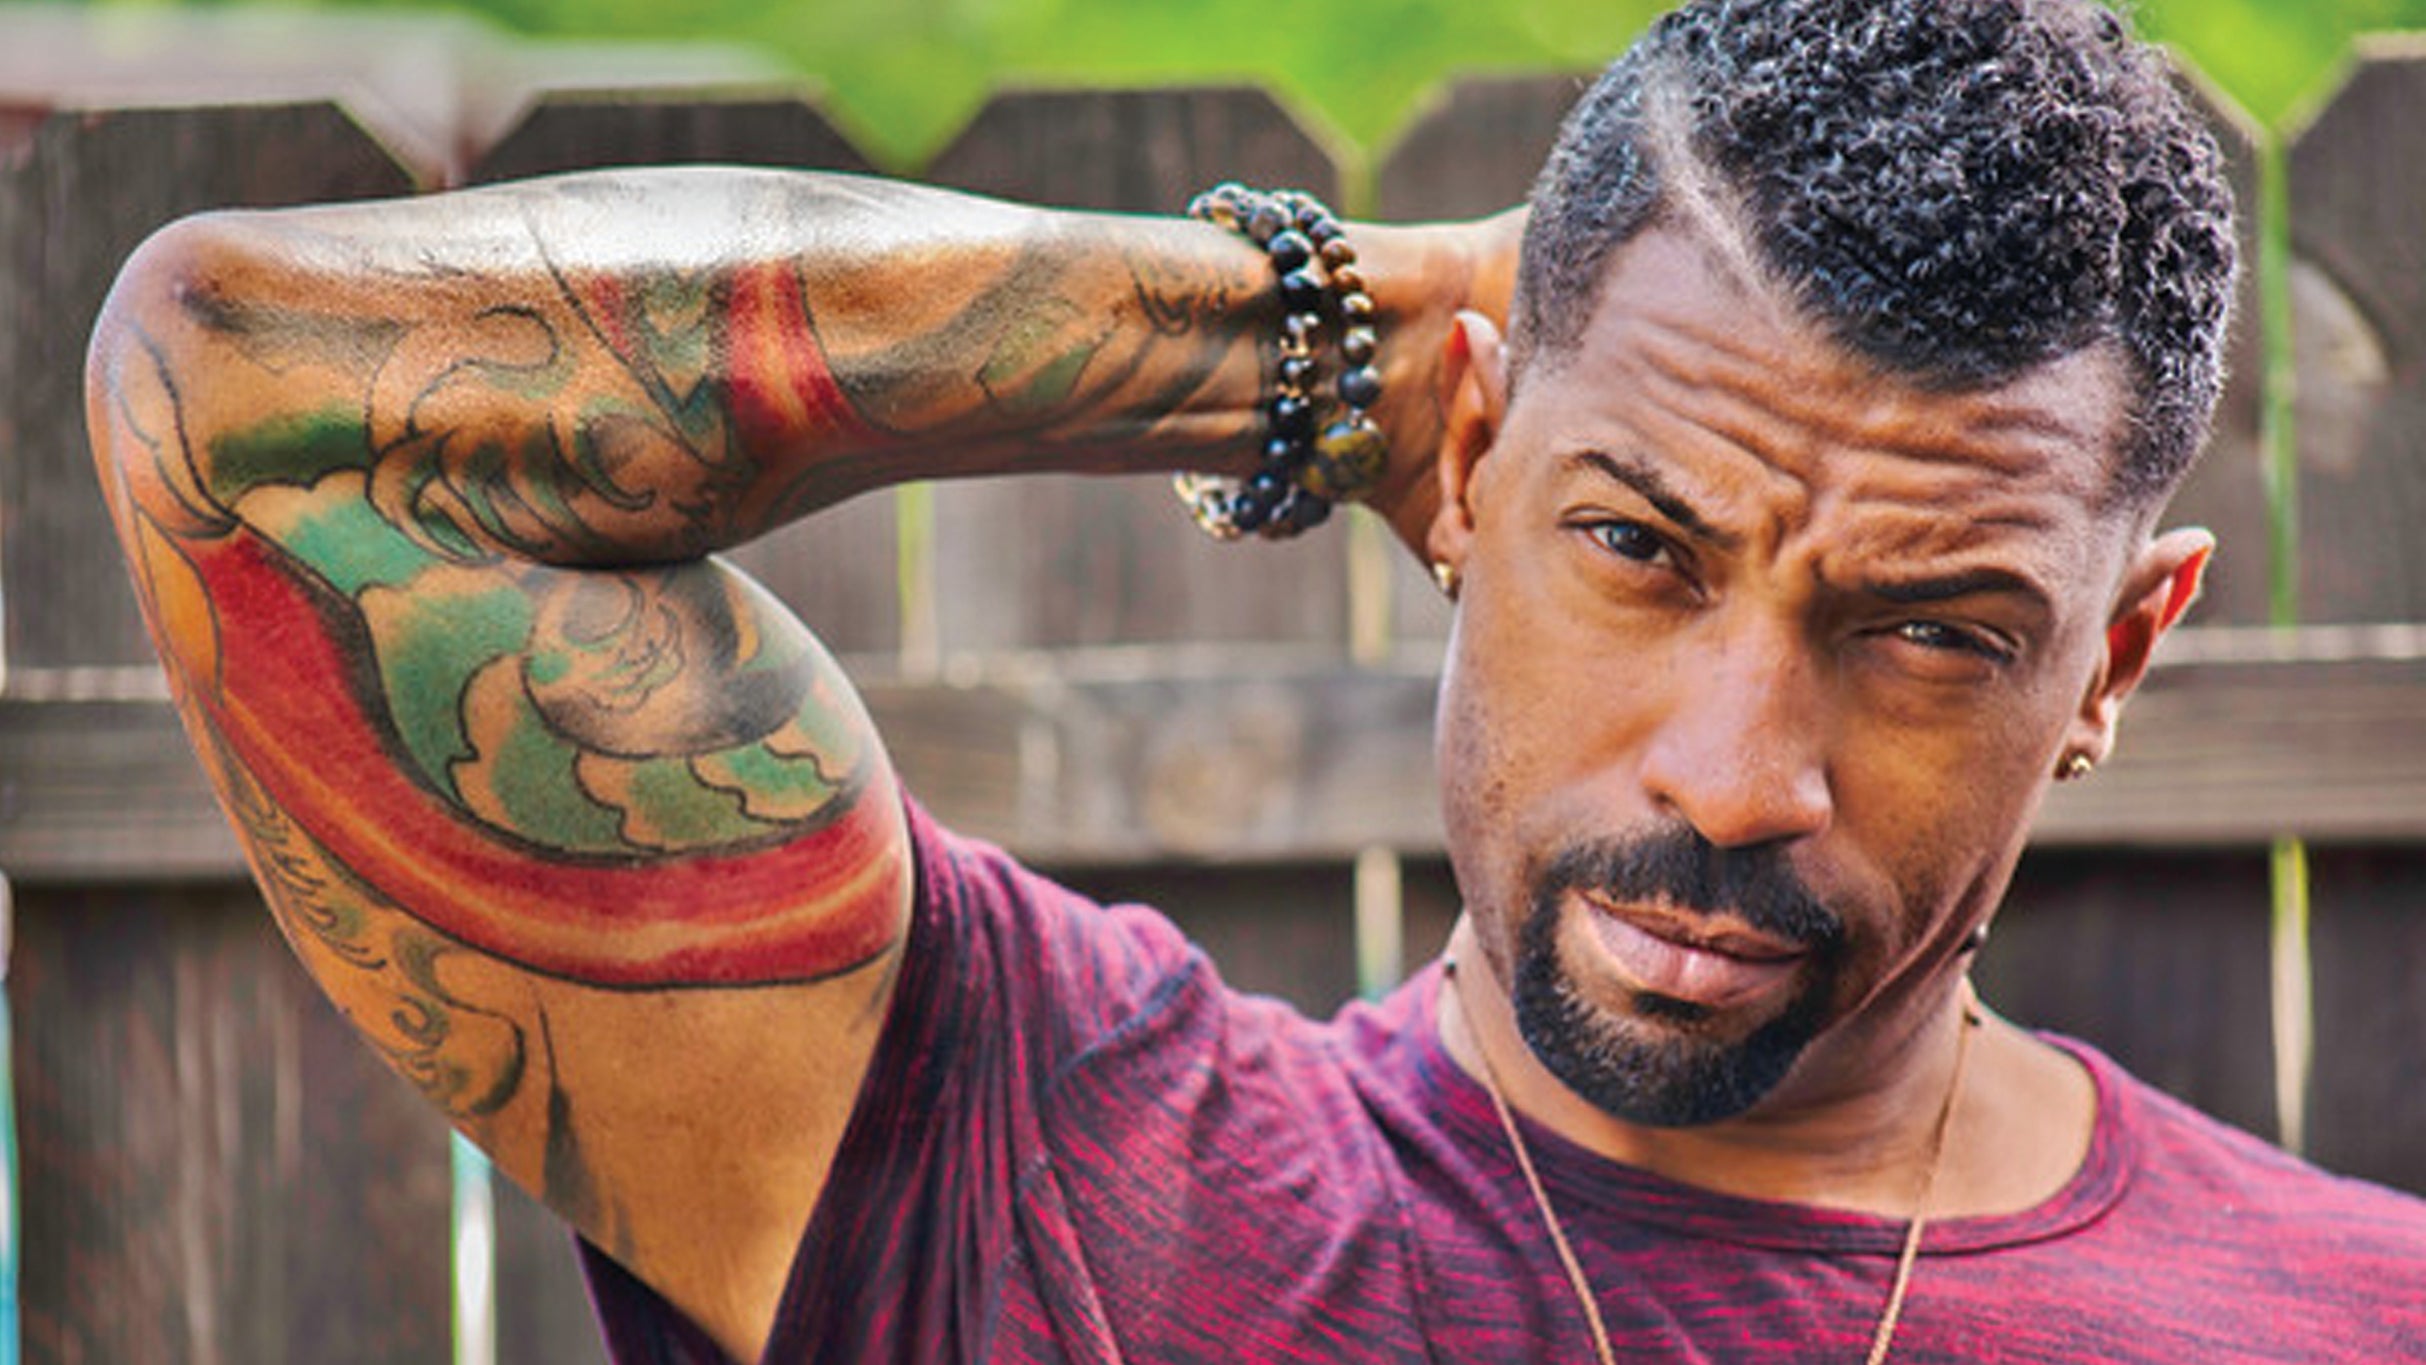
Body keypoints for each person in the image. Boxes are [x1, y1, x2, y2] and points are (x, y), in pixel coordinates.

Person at [84, 0, 2426, 1359]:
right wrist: (1319, 340)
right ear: (1473, 455)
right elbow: (256, 396)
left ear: (2115, 652)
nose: (1732, 777)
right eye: (1637, 543)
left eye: (1927, 630)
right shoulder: (1011, 1170)